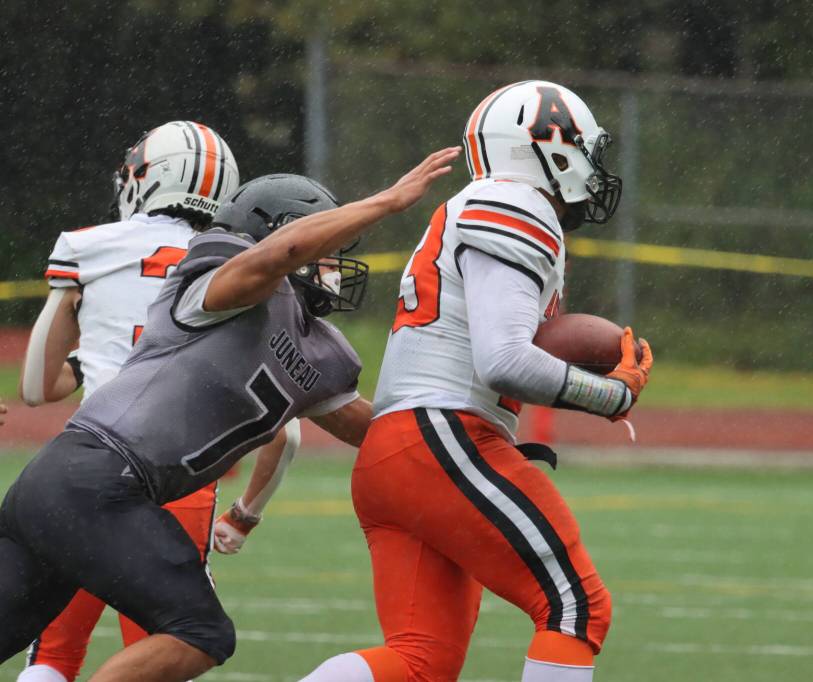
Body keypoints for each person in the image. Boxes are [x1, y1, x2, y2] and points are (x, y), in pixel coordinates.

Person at [0, 146, 461, 682]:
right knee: (200, 631)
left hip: (75, 486)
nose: (337, 265)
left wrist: (468, 433)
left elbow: (376, 432)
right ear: (278, 231)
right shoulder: (218, 271)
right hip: (100, 475)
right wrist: (384, 202)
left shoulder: (322, 349)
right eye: (330, 247)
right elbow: (275, 258)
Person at [301, 81, 653, 682]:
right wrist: (610, 394)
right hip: (447, 437)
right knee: (576, 607)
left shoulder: (483, 200)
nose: (593, 167)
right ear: (545, 147)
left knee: (419, 663)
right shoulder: (517, 201)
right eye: (584, 149)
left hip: (399, 451)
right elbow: (505, 361)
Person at [14, 121, 300, 682]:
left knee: (54, 650)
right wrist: (245, 517)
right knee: (172, 642)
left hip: (83, 470)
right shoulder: (235, 266)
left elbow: (34, 389)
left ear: (151, 178)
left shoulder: (87, 246)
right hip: (179, 481)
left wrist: (94, 361)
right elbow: (283, 433)